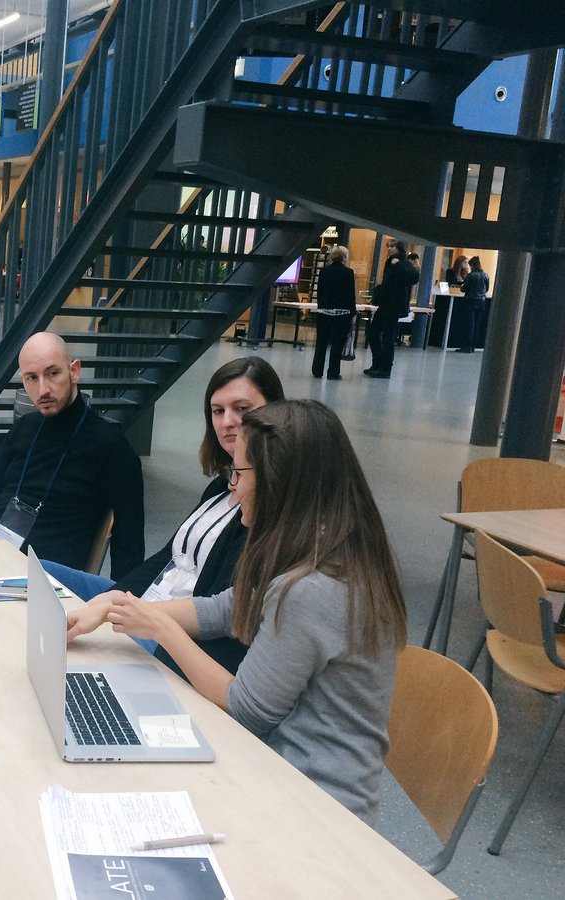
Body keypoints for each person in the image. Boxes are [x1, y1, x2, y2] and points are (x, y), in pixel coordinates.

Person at [67, 400, 406, 824]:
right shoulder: (317, 546)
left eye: (240, 473)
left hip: (312, 807)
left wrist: (162, 628)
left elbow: (246, 709)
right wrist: (119, 604)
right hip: (275, 770)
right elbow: (224, 608)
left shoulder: (312, 589)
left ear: (280, 484)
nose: (232, 486)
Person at [43, 357, 284, 676]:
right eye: (218, 411)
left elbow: (219, 610)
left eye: (242, 409)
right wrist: (115, 597)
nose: (227, 422)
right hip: (146, 602)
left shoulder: (263, 504)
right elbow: (166, 557)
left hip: (171, 632)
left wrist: (119, 610)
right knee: (42, 572)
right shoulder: (218, 487)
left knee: (68, 644)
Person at [0, 332, 144, 578]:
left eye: (53, 373)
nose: (43, 389)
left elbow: (129, 546)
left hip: (45, 582)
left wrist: (118, 607)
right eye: (31, 378)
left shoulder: (110, 447)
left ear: (74, 371)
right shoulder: (24, 428)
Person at [364, 238, 419, 378]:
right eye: (388, 246)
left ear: (399, 248)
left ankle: (385, 368)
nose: (389, 249)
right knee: (373, 333)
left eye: (392, 246)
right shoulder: (389, 262)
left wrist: (399, 265)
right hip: (385, 304)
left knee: (388, 337)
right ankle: (377, 363)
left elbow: (414, 278)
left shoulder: (403, 262)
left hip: (394, 306)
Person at [311, 245, 356, 380]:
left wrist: (321, 306)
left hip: (324, 311)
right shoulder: (348, 272)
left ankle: (317, 370)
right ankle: (333, 372)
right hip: (342, 313)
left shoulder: (324, 271)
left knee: (321, 342)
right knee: (337, 344)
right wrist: (352, 311)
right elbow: (350, 294)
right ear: (344, 257)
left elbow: (320, 292)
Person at [458, 255, 490, 353]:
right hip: (481, 302)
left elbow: (464, 289)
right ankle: (473, 347)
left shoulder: (471, 275)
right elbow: (487, 289)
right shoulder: (485, 275)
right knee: (476, 324)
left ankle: (467, 346)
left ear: (472, 265)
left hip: (471, 301)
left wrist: (461, 286)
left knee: (469, 325)